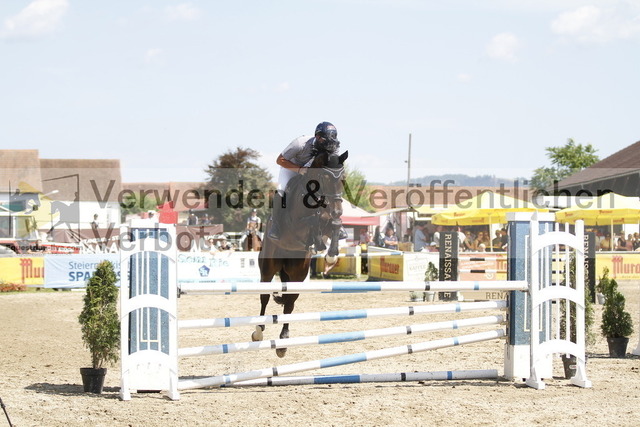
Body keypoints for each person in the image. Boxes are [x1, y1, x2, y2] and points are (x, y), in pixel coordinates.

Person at [268, 121, 345, 240]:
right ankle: (276, 224)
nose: (328, 147)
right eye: (326, 143)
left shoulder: (332, 147)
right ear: (318, 137)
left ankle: (336, 223)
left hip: (311, 171)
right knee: (281, 191)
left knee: (329, 190)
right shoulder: (300, 143)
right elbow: (280, 160)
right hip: (291, 167)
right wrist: (299, 169)